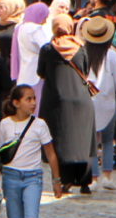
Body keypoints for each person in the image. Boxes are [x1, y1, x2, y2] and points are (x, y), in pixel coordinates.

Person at [0, 85, 62, 218]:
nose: (33, 103)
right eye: (28, 99)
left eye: (34, 98)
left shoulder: (39, 124)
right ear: (16, 103)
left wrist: (56, 180)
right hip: (10, 177)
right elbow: (1, 152)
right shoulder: (5, 124)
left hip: (33, 177)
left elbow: (50, 154)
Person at [38, 14, 98, 194]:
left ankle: (65, 181)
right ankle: (84, 182)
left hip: (56, 100)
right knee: (82, 140)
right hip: (81, 99)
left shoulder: (47, 49)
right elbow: (85, 71)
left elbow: (41, 72)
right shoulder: (80, 47)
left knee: (60, 139)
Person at [82, 17, 116, 191]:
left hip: (87, 103)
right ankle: (108, 176)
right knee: (108, 140)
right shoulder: (111, 56)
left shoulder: (82, 53)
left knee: (91, 142)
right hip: (108, 103)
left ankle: (93, 177)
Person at [12, 3, 50, 109]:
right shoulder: (35, 29)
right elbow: (46, 47)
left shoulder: (20, 27)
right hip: (36, 74)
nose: (45, 21)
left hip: (24, 73)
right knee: (36, 106)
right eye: (44, 17)